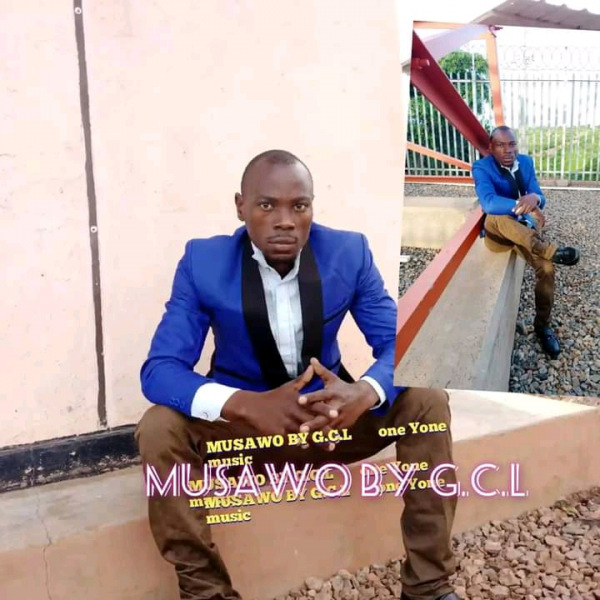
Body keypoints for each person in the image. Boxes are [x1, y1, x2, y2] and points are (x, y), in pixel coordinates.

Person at [136, 149, 459, 600]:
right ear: (241, 207)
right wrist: (245, 405)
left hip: (332, 427)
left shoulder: (348, 253)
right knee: (158, 428)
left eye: (299, 206)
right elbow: (160, 370)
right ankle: (206, 593)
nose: (285, 221)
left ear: (312, 208)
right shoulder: (203, 262)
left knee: (426, 400)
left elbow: (406, 344)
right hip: (244, 437)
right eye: (267, 205)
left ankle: (428, 586)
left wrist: (365, 392)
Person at [472, 126, 580, 359]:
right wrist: (524, 206)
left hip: (524, 233)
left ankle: (542, 326)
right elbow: (488, 202)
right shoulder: (481, 167)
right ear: (491, 147)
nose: (508, 150)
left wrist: (535, 198)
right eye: (501, 145)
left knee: (547, 268)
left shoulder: (526, 162)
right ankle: (549, 250)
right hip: (499, 235)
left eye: (512, 144)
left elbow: (540, 196)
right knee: (496, 216)